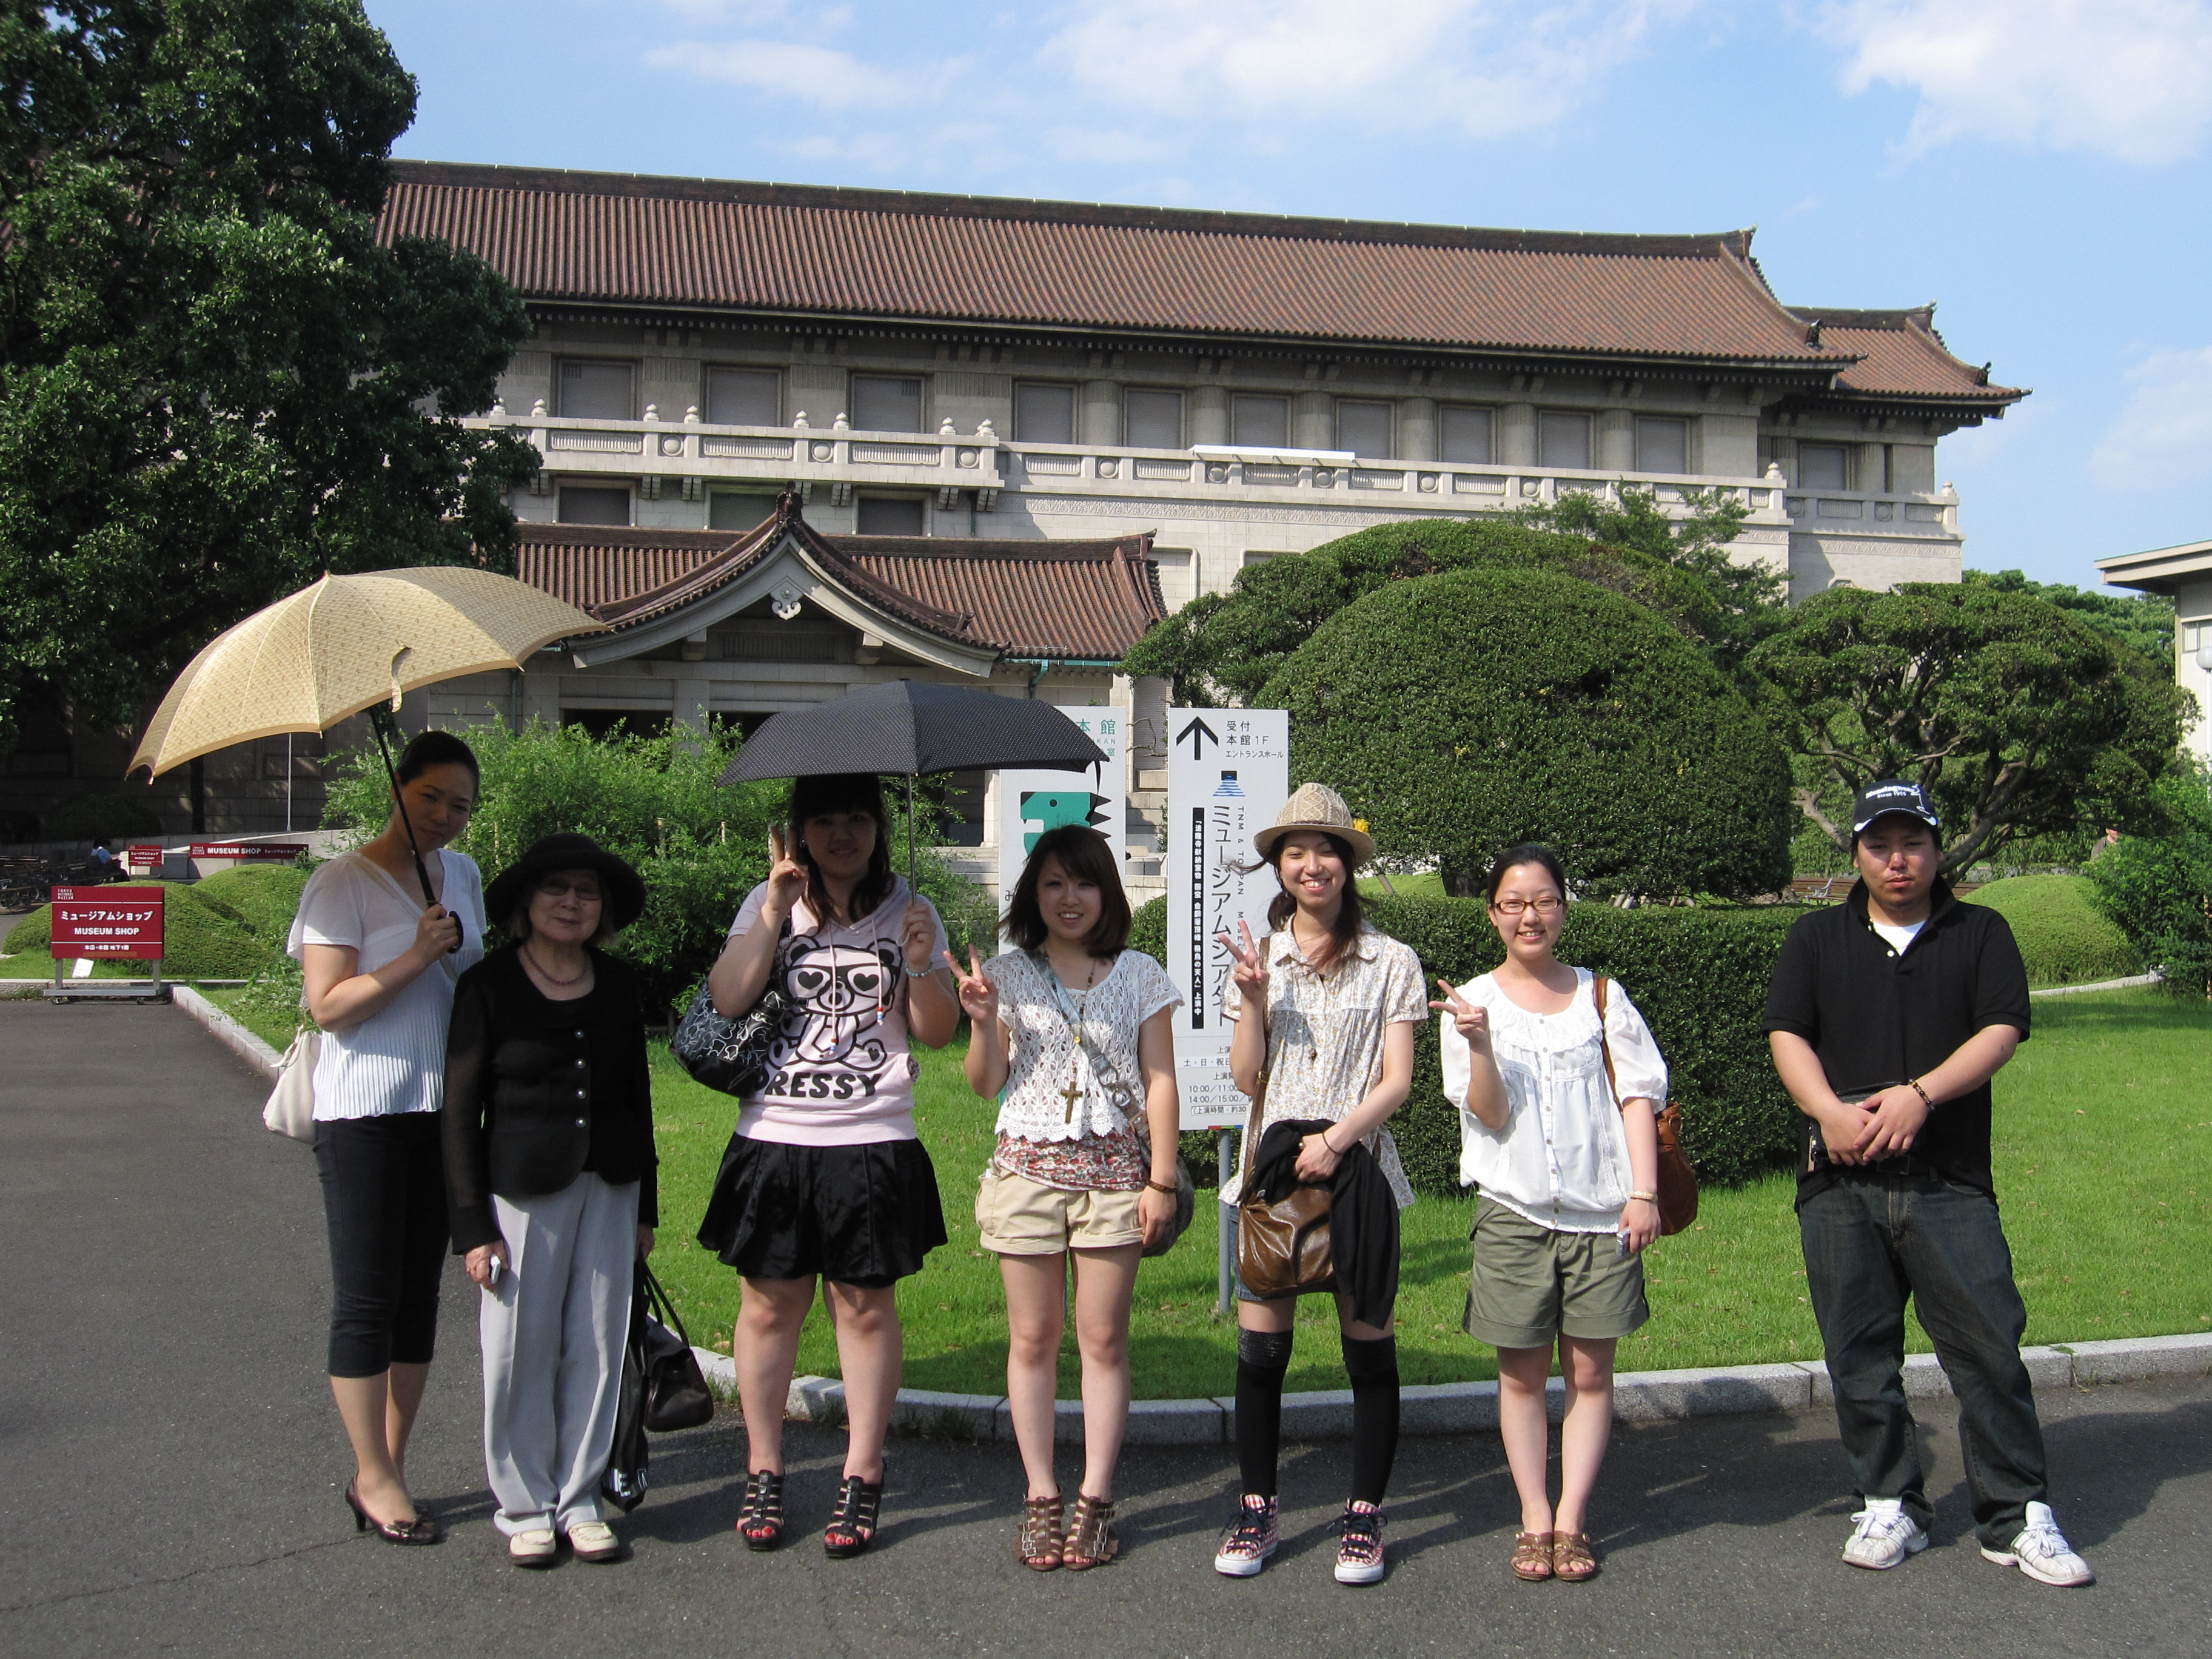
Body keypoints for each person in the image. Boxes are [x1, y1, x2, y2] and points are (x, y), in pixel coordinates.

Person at [1765, 780, 2093, 1587]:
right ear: (1856, 855)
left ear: (1939, 849)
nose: (1898, 859)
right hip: (1840, 1184)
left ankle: (2016, 1514)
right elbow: (1787, 1032)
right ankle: (1889, 1501)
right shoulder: (1816, 939)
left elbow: (2003, 1028)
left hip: (1949, 1180)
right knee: (1858, 1354)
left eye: (1913, 842)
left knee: (1988, 1346)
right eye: (1880, 845)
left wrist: (1922, 1094)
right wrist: (1827, 1114)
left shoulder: (1978, 933)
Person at [699, 773, 960, 1557]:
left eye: (857, 819)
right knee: (769, 1308)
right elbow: (727, 997)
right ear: (801, 832)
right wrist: (775, 913)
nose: (843, 834)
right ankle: (765, 1464)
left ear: (879, 828)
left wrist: (919, 962)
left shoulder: (912, 909)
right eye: (825, 821)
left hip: (872, 1136)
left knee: (866, 1309)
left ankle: (862, 1469)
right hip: (776, 1133)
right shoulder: (769, 902)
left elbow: (939, 1033)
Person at [945, 825, 1184, 1572]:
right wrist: (982, 1021)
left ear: (1107, 892)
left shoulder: (1141, 972)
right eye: (1053, 884)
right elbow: (986, 1083)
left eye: (1083, 883)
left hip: (1116, 1177)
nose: (1069, 898)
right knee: (1033, 1338)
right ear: (1033, 895)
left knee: (1104, 1342)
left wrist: (1163, 1181)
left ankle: (1096, 1498)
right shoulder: (1010, 974)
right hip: (1027, 1171)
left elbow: (1161, 1082)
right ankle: (1042, 1495)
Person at [1433, 843, 1664, 1584]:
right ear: (1493, 913)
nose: (1529, 915)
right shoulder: (1472, 1003)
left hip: (1602, 1214)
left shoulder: (1602, 997)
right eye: (1513, 903)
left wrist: (1645, 1193)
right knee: (1523, 1375)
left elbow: (1638, 1096)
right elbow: (1491, 1115)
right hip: (1515, 1212)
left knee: (1592, 1374)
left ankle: (1573, 1520)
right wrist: (1479, 1045)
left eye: (1544, 900)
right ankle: (1535, 1517)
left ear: (1564, 907)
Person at [1212, 783, 1424, 1586]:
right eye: (1295, 851)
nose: (1311, 864)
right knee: (1262, 1351)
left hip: (1359, 1168)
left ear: (1348, 864)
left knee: (1368, 1349)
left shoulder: (1393, 959)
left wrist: (1337, 1140)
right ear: (1278, 865)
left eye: (1326, 850)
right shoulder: (1260, 958)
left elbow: (1398, 1079)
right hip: (1271, 1171)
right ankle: (1257, 1507)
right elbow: (1245, 1079)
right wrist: (1253, 1003)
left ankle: (1364, 1518)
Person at [287, 729, 486, 1546]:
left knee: (418, 1299)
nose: (443, 817)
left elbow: (475, 982)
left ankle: (392, 1467)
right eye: (430, 796)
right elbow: (328, 1006)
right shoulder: (343, 883)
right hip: (363, 1115)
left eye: (461, 806)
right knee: (367, 1299)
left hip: (442, 1115)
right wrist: (414, 954)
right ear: (398, 788)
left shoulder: (462, 876)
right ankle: (370, 1473)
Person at [443, 834, 657, 1569]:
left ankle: (580, 1497)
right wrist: (472, 1225)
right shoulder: (488, 986)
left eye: (587, 893)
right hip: (520, 1195)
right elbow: (459, 1112)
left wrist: (646, 1209)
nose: (572, 903)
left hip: (611, 1184)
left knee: (597, 1345)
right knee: (516, 1349)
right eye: (556, 889)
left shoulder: (621, 984)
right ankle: (524, 1503)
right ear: (526, 904)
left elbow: (638, 1098)